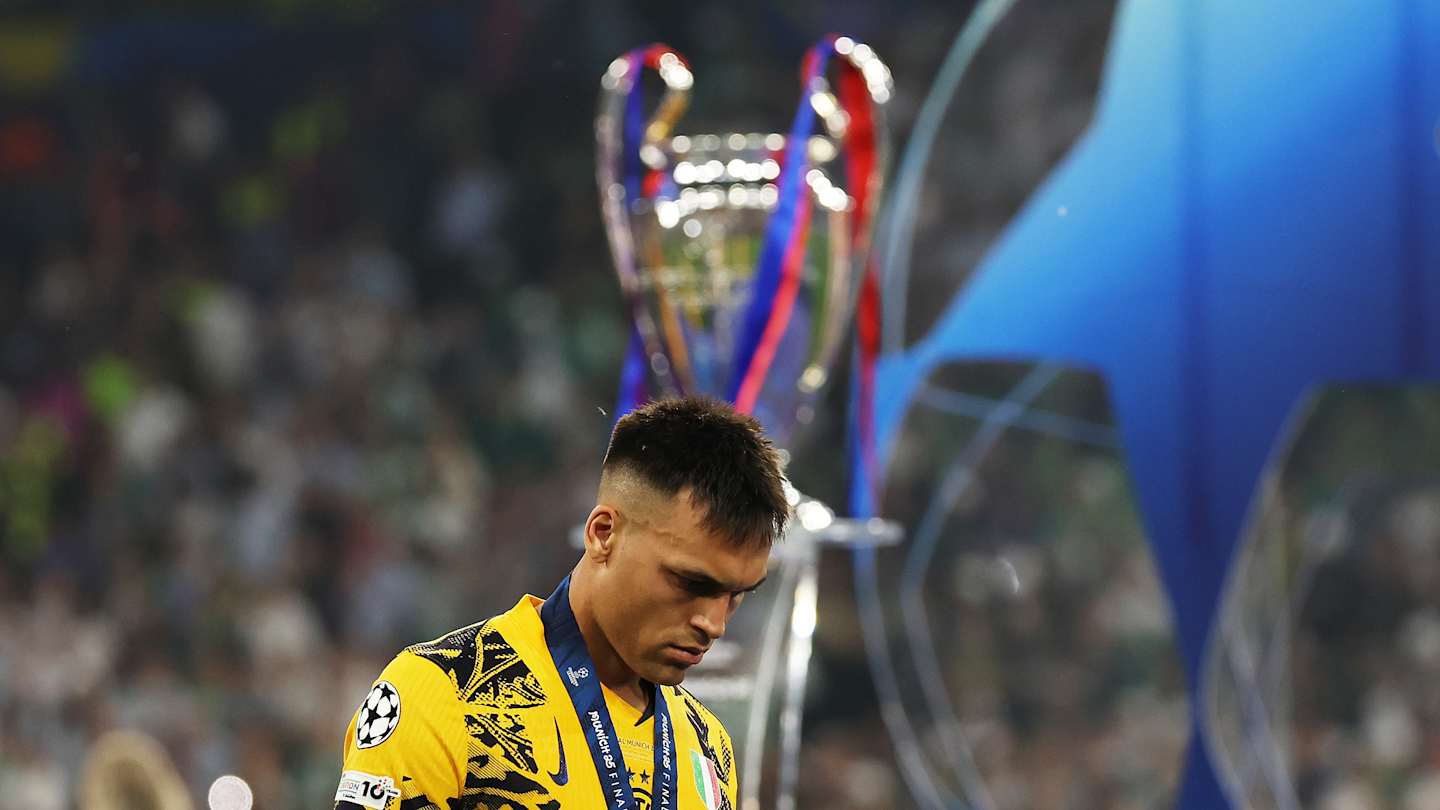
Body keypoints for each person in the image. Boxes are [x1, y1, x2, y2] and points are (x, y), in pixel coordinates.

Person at [333, 396, 790, 810]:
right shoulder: (443, 693)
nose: (714, 623)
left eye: (736, 595)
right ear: (604, 534)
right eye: (691, 583)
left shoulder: (708, 745)